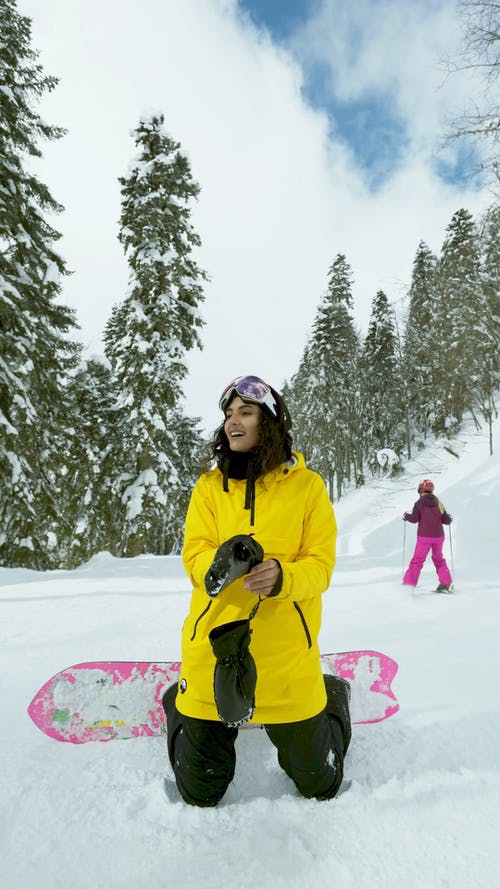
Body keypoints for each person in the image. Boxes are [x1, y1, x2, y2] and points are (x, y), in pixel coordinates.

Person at [162, 374, 351, 807]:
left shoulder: (308, 488)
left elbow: (320, 567)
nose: (233, 422)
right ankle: (179, 698)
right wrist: (220, 564)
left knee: (321, 784)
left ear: (269, 421)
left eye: (245, 412)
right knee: (200, 793)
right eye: (229, 414)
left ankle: (331, 692)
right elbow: (194, 558)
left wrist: (283, 578)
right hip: (215, 651)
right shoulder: (209, 489)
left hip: (286, 661)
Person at [402, 479, 453, 591]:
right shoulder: (438, 502)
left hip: (424, 537)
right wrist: (450, 518)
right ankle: (445, 584)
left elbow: (414, 519)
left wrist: (406, 516)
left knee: (417, 560)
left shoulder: (419, 503)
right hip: (439, 537)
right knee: (439, 559)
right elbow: (446, 520)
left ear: (420, 490)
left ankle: (408, 585)